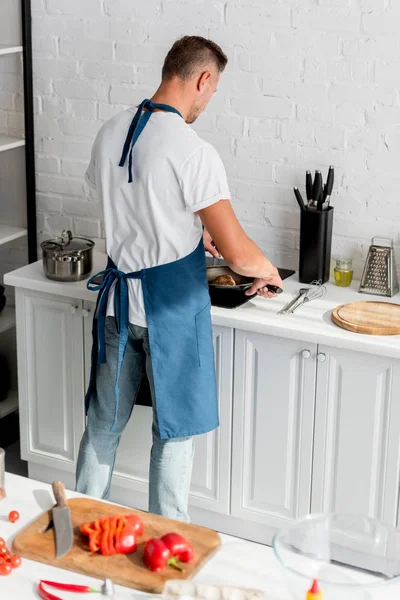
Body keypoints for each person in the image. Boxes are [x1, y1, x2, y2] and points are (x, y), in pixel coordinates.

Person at [75, 36, 283, 522]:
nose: (208, 102)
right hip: (170, 312)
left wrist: (191, 230)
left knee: (102, 425)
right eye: (213, 91)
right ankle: (167, 545)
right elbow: (238, 251)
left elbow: (129, 201)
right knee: (174, 433)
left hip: (116, 305)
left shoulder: (110, 130)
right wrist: (267, 271)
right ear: (202, 78)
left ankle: (77, 527)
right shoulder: (192, 149)